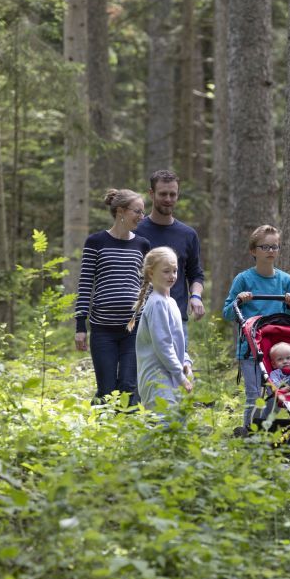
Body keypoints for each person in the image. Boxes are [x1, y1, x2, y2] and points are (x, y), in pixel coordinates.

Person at [74, 188, 150, 404]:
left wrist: (148, 315)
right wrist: (80, 326)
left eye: (143, 212)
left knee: (128, 387)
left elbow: (149, 284)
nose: (141, 217)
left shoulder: (142, 245)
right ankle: (102, 434)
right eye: (138, 211)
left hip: (133, 331)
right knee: (106, 391)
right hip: (102, 331)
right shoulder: (96, 242)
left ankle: (128, 435)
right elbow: (85, 283)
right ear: (120, 211)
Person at [222, 224, 290, 429]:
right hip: (250, 349)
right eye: (265, 247)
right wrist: (239, 300)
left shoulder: (285, 280)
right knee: (254, 394)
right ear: (253, 251)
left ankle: (265, 430)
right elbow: (228, 312)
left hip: (277, 349)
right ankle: (249, 434)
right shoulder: (244, 279)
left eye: (275, 247)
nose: (271, 251)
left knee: (276, 393)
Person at [134, 170, 206, 329]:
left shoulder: (188, 234)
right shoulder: (135, 232)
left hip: (176, 319)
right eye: (163, 194)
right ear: (151, 194)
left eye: (172, 194)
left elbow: (195, 274)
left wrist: (196, 296)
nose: (168, 199)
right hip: (140, 319)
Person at [128, 247, 193, 410]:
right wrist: (180, 376)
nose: (172, 276)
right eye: (166, 271)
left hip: (170, 378)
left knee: (172, 429)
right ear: (150, 273)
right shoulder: (157, 303)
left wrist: (185, 361)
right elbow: (163, 345)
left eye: (175, 270)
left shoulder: (170, 302)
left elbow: (177, 340)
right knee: (162, 427)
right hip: (156, 380)